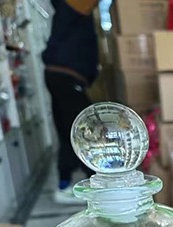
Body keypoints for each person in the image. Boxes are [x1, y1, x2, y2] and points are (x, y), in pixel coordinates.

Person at [42, 0, 99, 204]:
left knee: (70, 129)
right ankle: (95, 185)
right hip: (67, 75)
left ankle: (65, 183)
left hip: (60, 75)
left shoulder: (71, 10)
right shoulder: (75, 5)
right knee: (84, 130)